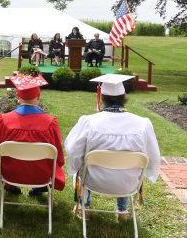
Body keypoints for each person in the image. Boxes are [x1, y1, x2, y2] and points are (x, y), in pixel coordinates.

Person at [64, 74, 161, 222]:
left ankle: (85, 207)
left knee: (82, 164)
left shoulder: (89, 122)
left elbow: (72, 149)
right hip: (128, 182)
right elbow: (152, 155)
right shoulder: (143, 124)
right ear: (124, 97)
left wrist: (75, 165)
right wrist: (149, 172)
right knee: (127, 164)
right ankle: (122, 211)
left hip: (94, 180)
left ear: (101, 97)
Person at [0, 74, 65, 196]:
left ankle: (10, 185)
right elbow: (58, 155)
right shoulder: (50, 123)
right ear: (39, 96)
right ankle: (39, 187)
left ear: (18, 97)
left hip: (10, 173)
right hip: (42, 174)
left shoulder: (4, 120)